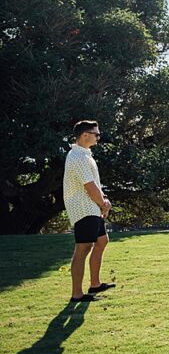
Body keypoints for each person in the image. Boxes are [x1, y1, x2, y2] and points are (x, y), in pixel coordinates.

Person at [63, 120, 114, 302]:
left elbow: (95, 185)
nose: (98, 137)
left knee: (102, 241)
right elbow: (90, 186)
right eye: (96, 134)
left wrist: (103, 200)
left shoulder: (85, 155)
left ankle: (95, 284)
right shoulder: (78, 156)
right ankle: (77, 294)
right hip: (84, 208)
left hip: (92, 206)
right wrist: (103, 203)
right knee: (83, 248)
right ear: (85, 135)